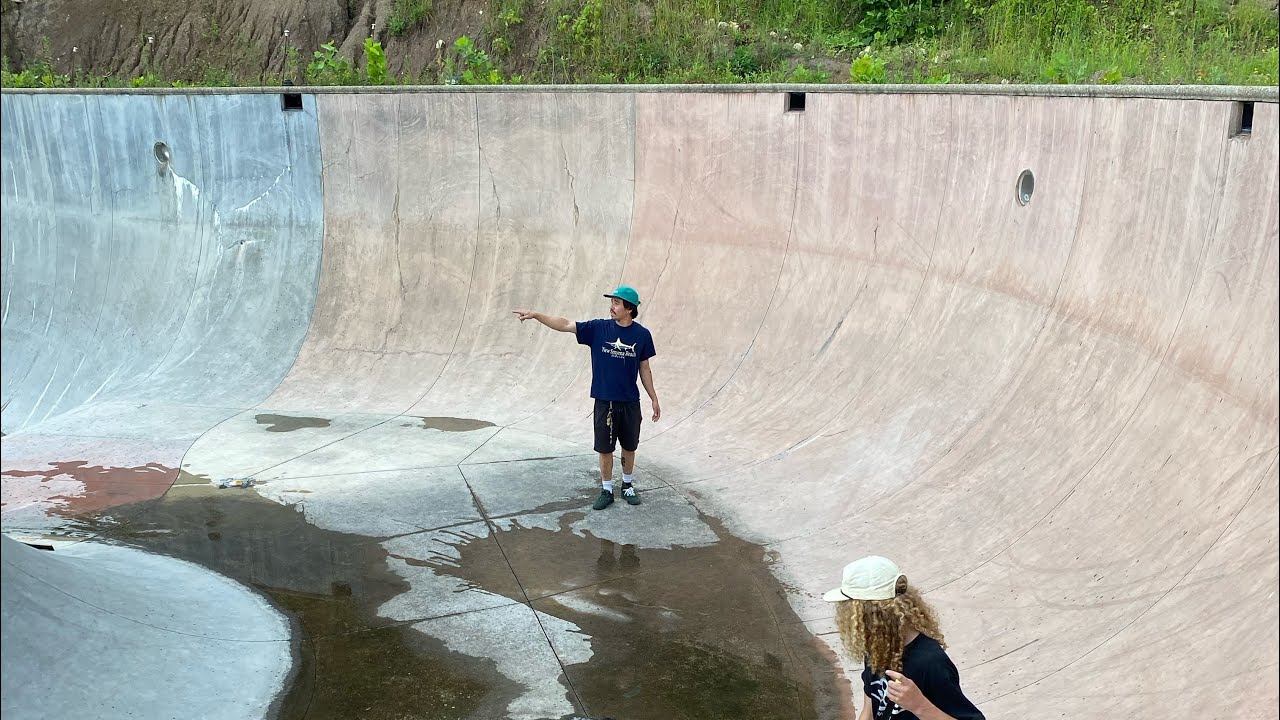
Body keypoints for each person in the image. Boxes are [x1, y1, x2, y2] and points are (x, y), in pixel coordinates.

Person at [512, 285, 660, 510]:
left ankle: (627, 485)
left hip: (630, 401)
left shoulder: (642, 335)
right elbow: (564, 324)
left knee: (630, 447)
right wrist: (536, 315)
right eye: (612, 302)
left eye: (617, 303)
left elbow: (645, 368)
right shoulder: (598, 329)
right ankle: (607, 489)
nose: (612, 306)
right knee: (605, 448)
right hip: (604, 401)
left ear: (629, 309)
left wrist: (653, 398)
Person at [823, 556, 985, 720]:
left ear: (871, 613)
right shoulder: (877, 649)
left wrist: (919, 705)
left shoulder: (930, 663)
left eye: (849, 612)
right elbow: (870, 710)